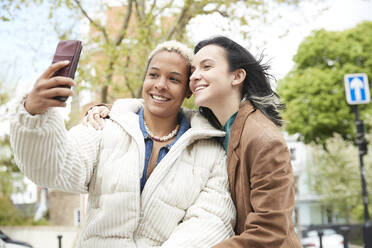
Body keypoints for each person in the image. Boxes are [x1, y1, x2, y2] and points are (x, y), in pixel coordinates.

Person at [9, 41, 236, 248]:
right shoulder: (103, 127)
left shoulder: (210, 150)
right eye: (153, 75)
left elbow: (211, 220)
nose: (160, 85)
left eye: (174, 79)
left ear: (188, 89)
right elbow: (53, 170)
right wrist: (34, 112)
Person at [86, 36, 302, 248]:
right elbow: (155, 107)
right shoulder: (211, 127)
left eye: (206, 67)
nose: (195, 76)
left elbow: (269, 231)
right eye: (193, 71)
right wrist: (108, 111)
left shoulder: (264, 140)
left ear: (237, 76)